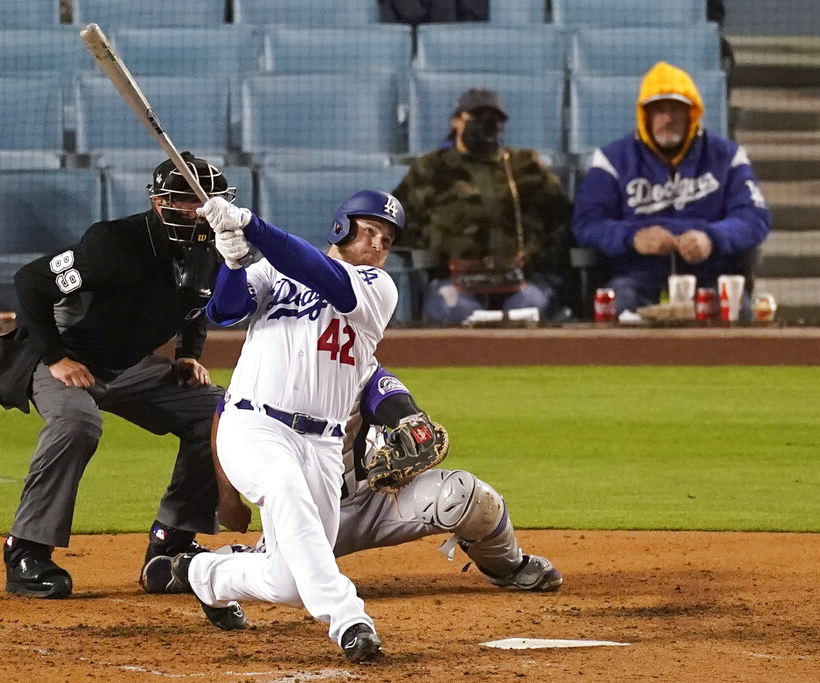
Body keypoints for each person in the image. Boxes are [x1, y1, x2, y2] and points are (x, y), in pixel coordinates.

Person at [153, 190, 404, 663]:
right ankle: (349, 619)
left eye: (386, 239)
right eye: (369, 230)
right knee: (283, 486)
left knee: (288, 581)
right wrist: (232, 260)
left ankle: (204, 575)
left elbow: (319, 271)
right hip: (253, 425)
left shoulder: (378, 288)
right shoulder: (271, 271)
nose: (377, 244)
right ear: (341, 227)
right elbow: (224, 312)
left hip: (324, 445)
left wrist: (251, 225)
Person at [0, 153, 233, 600]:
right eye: (187, 201)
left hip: (127, 365)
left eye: (206, 201)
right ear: (160, 203)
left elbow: (197, 302)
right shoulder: (114, 244)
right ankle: (26, 552)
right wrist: (57, 356)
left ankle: (171, 545)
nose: (199, 211)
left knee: (221, 413)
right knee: (78, 423)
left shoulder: (215, 250)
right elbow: (31, 282)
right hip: (58, 356)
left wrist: (187, 354)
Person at [143, 362, 563, 596]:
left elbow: (397, 403)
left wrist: (410, 426)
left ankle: (510, 567)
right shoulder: (268, 372)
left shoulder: (361, 367)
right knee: (282, 578)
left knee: (463, 495)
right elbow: (223, 416)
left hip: (379, 500)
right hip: (310, 514)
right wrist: (228, 495)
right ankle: (195, 568)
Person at [571, 62, 770, 317]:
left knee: (737, 310)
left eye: (677, 109)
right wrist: (633, 237)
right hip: (636, 276)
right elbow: (587, 223)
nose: (668, 118)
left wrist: (711, 238)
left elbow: (755, 218)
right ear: (645, 116)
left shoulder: (727, 156)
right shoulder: (612, 160)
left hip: (709, 274)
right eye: (659, 110)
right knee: (616, 305)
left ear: (692, 114)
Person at [392, 87, 574, 324]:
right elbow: (393, 221)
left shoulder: (525, 166)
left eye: (495, 120)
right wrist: (431, 251)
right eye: (476, 117)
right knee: (458, 313)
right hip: (454, 280)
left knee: (526, 312)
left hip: (520, 280)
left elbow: (563, 218)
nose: (486, 125)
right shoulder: (430, 168)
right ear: (457, 121)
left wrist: (534, 256)